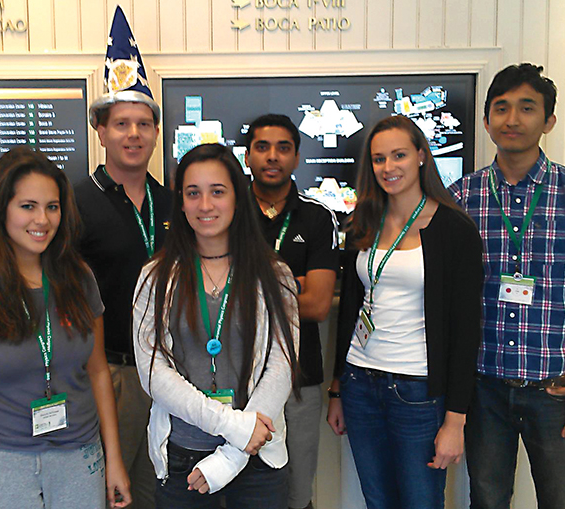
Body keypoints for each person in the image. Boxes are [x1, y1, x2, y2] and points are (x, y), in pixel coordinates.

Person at [449, 63, 565, 509]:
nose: (512, 119)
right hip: (483, 384)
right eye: (501, 108)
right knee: (486, 499)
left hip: (557, 389)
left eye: (527, 108)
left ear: (548, 121)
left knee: (562, 501)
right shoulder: (462, 197)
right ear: (486, 121)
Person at [0, 147, 131, 509]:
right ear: (0, 209)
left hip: (79, 455)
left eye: (52, 207)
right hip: (1, 458)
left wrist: (113, 459)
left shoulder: (79, 278)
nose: (43, 219)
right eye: (28, 206)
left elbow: (98, 372)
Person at [326, 115, 483, 509]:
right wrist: (337, 388)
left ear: (421, 157)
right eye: (379, 159)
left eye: (399, 155)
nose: (388, 167)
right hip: (360, 383)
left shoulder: (454, 229)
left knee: (420, 501)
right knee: (377, 499)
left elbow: (466, 331)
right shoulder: (363, 222)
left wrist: (455, 420)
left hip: (416, 392)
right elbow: (351, 311)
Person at [132, 143, 300, 508]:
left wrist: (232, 455)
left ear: (238, 199)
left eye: (217, 192)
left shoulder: (275, 275)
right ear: (181, 203)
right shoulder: (156, 276)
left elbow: (281, 366)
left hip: (258, 457)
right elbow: (152, 372)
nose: (205, 205)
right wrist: (234, 427)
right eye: (193, 193)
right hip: (183, 458)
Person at [74, 8, 173, 507]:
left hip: (174, 372)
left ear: (155, 132)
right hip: (108, 372)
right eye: (121, 124)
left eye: (143, 124)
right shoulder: (72, 202)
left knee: (159, 490)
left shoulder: (175, 202)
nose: (133, 134)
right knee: (109, 492)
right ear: (101, 131)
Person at [245, 113, 339, 509]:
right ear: (247, 156)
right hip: (238, 377)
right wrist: (291, 285)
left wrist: (252, 289)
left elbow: (317, 305)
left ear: (297, 157)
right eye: (262, 147)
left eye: (283, 148)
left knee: (298, 490)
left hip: (301, 378)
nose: (272, 157)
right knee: (243, 486)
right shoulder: (228, 213)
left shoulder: (317, 217)